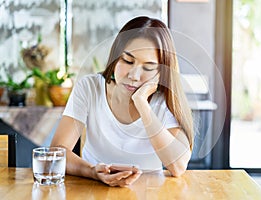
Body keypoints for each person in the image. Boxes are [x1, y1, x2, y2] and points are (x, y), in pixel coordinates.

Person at [51, 16, 194, 187]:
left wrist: (142, 103)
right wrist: (92, 171)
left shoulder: (163, 100)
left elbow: (178, 166)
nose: (134, 76)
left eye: (148, 67)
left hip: (149, 192)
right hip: (93, 188)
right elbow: (57, 152)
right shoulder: (90, 87)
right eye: (127, 60)